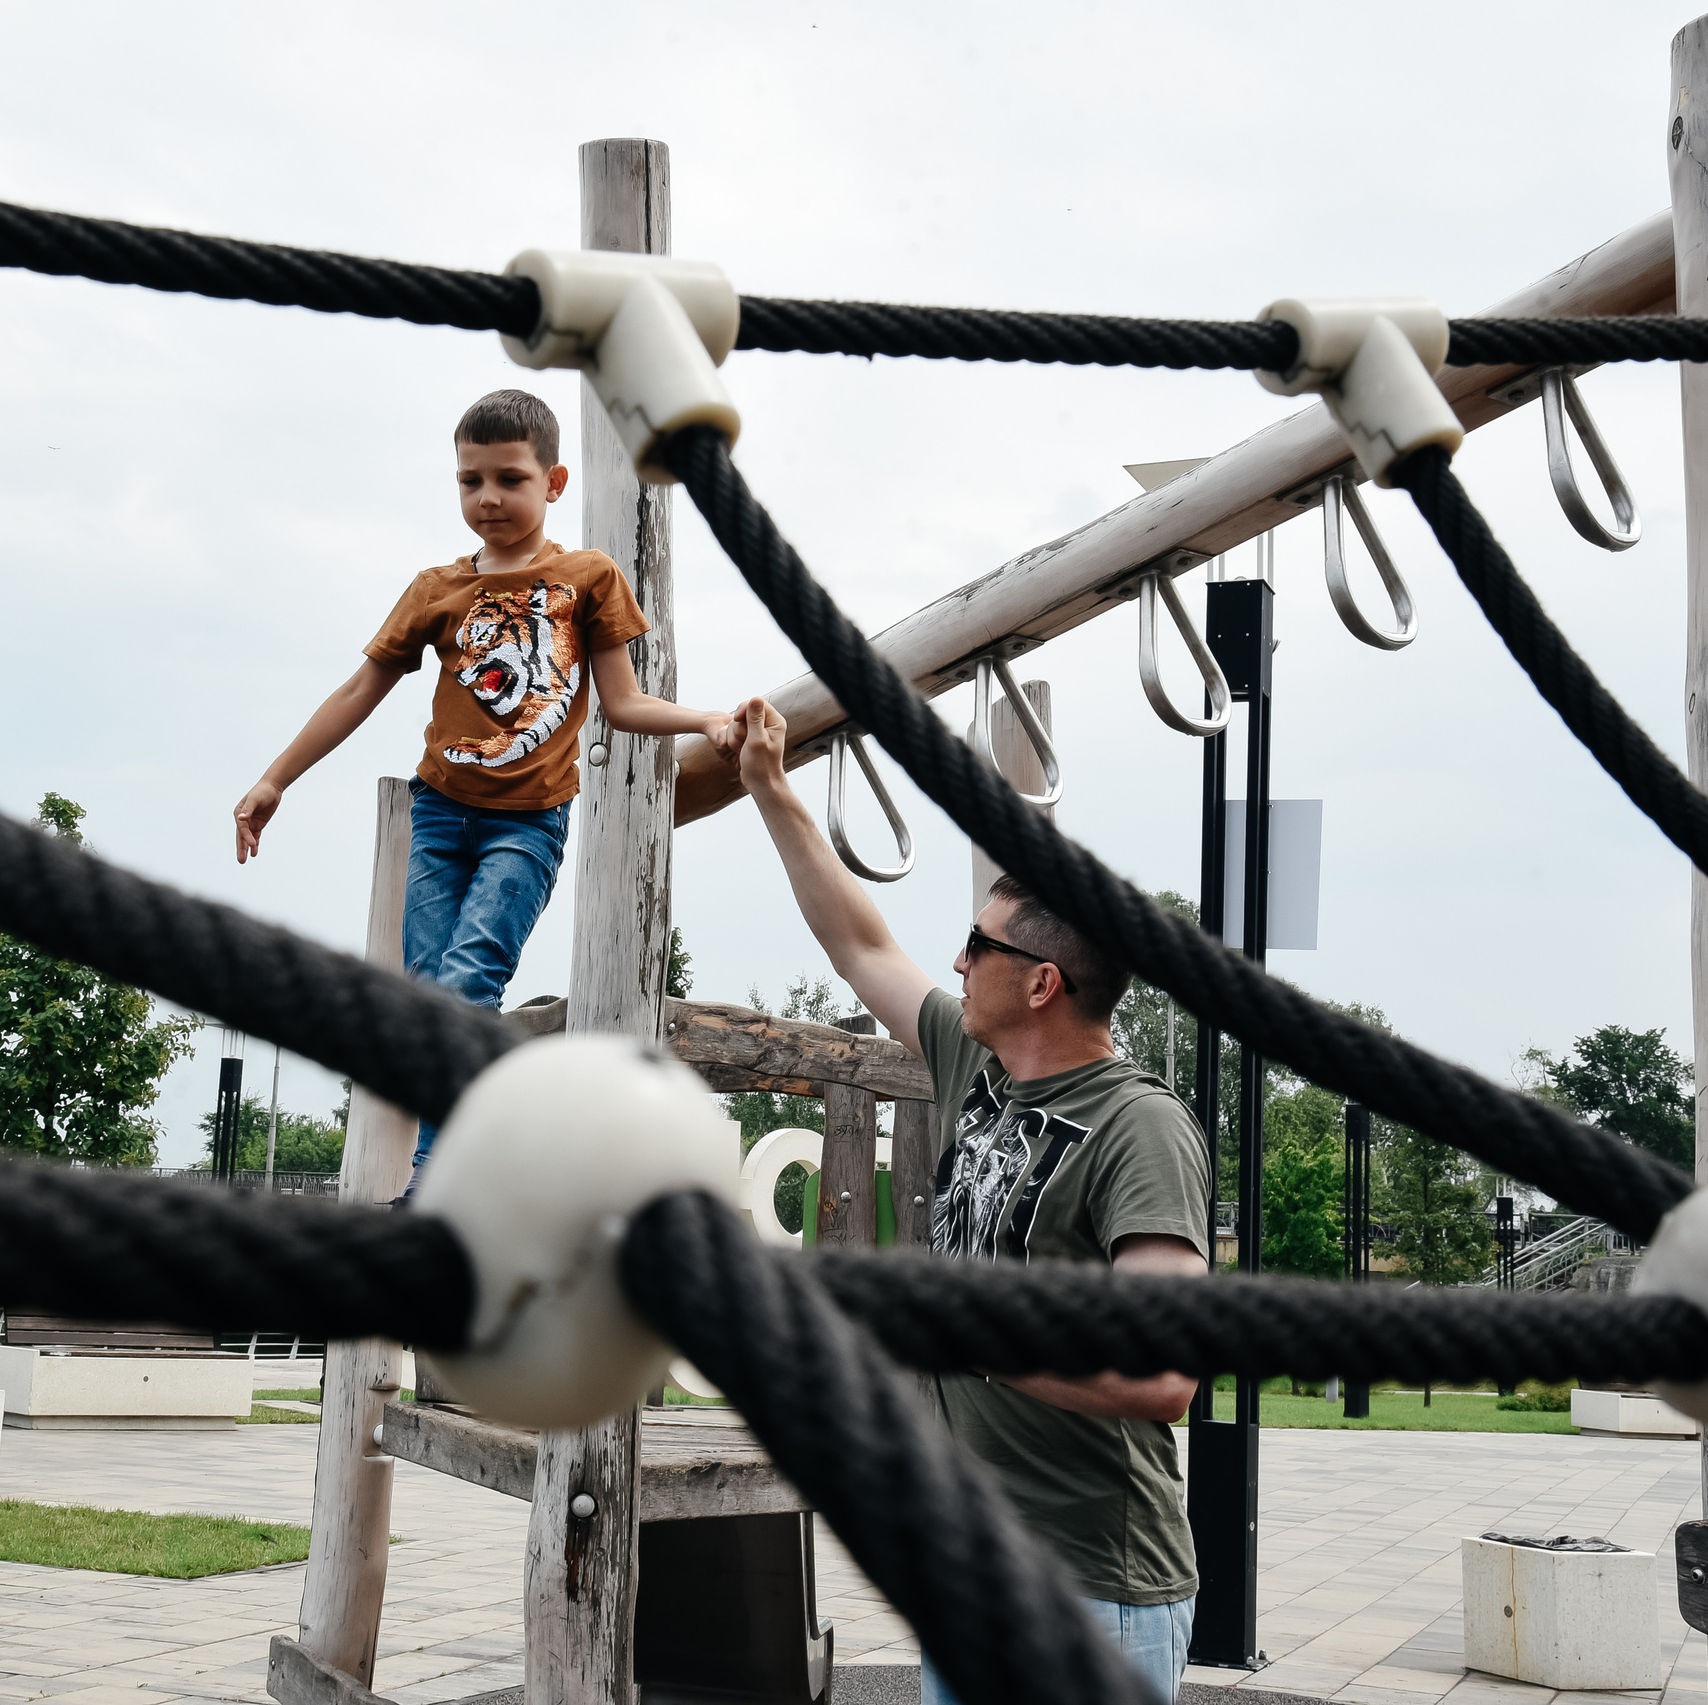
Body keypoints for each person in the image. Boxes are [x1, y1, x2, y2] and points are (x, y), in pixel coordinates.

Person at [726, 694, 1211, 1705]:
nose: (953, 960)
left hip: (1091, 1590)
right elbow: (861, 947)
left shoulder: (1139, 1128)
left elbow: (1163, 1373)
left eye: (976, 946)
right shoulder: (972, 1062)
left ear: (1040, 983)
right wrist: (770, 788)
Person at [234, 389, 733, 1195]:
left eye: (509, 479)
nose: (489, 498)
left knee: (469, 981)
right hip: (438, 815)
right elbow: (361, 688)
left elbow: (625, 703)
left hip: (527, 826)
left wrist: (706, 717)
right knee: (434, 999)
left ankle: (439, 1176)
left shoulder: (587, 579)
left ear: (555, 481)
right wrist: (275, 777)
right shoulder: (436, 588)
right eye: (470, 481)